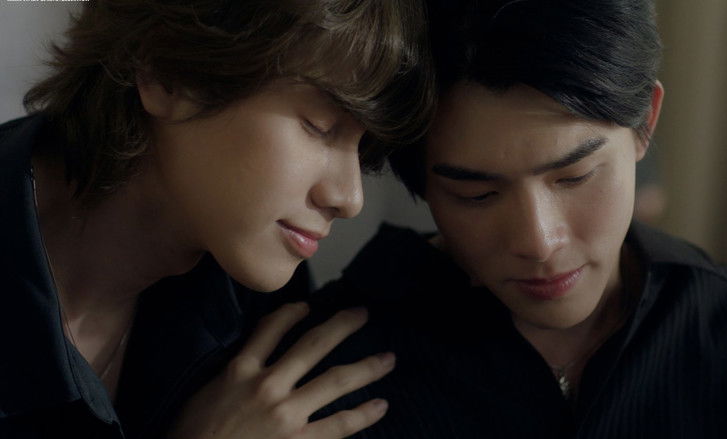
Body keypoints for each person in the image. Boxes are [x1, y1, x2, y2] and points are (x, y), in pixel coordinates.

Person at [302, 0, 727, 437]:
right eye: (477, 195)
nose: (540, 242)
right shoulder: (325, 367)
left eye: (575, 177)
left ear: (644, 126)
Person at [0, 1, 434, 438]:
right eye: (319, 126)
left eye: (363, 149)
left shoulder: (250, 287)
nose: (349, 198)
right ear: (168, 75)